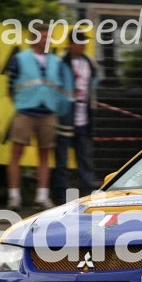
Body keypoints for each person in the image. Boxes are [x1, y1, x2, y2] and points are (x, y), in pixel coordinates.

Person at [6, 25, 72, 212]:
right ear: (33, 39)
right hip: (25, 112)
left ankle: (42, 196)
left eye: (48, 37)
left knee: (45, 155)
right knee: (16, 154)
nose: (46, 41)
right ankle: (14, 197)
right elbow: (10, 86)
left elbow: (60, 87)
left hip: (48, 113)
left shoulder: (56, 61)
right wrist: (21, 103)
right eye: (43, 37)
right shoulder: (20, 59)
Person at [52, 30, 98, 205]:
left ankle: (87, 195)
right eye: (78, 42)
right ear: (70, 44)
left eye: (84, 42)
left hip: (84, 119)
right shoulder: (61, 62)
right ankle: (61, 197)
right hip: (65, 117)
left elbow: (93, 84)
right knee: (62, 161)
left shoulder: (89, 62)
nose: (82, 45)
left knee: (85, 159)